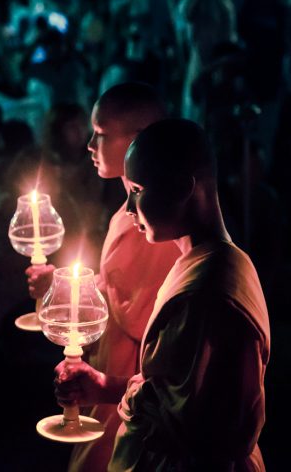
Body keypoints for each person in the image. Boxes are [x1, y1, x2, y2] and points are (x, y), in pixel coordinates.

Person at [54, 118, 270, 470]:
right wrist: (107, 387)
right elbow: (176, 391)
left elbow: (211, 431)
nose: (128, 208)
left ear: (184, 188)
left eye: (137, 190)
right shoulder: (204, 261)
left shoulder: (208, 291)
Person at [26, 82, 181, 471]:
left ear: (138, 142)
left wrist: (107, 386)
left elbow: (149, 327)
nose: (90, 146)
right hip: (112, 379)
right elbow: (118, 290)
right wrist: (62, 292)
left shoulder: (156, 228)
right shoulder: (128, 208)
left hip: (129, 392)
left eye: (102, 134)